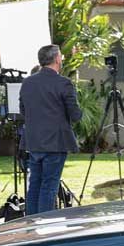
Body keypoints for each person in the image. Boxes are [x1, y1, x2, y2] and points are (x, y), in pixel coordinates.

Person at [20, 44, 82, 216]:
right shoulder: (64, 83)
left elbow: (23, 111)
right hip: (55, 142)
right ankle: (45, 224)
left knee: (35, 185)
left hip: (34, 142)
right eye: (60, 56)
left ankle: (31, 223)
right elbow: (75, 115)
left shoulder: (27, 82)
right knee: (49, 186)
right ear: (56, 59)